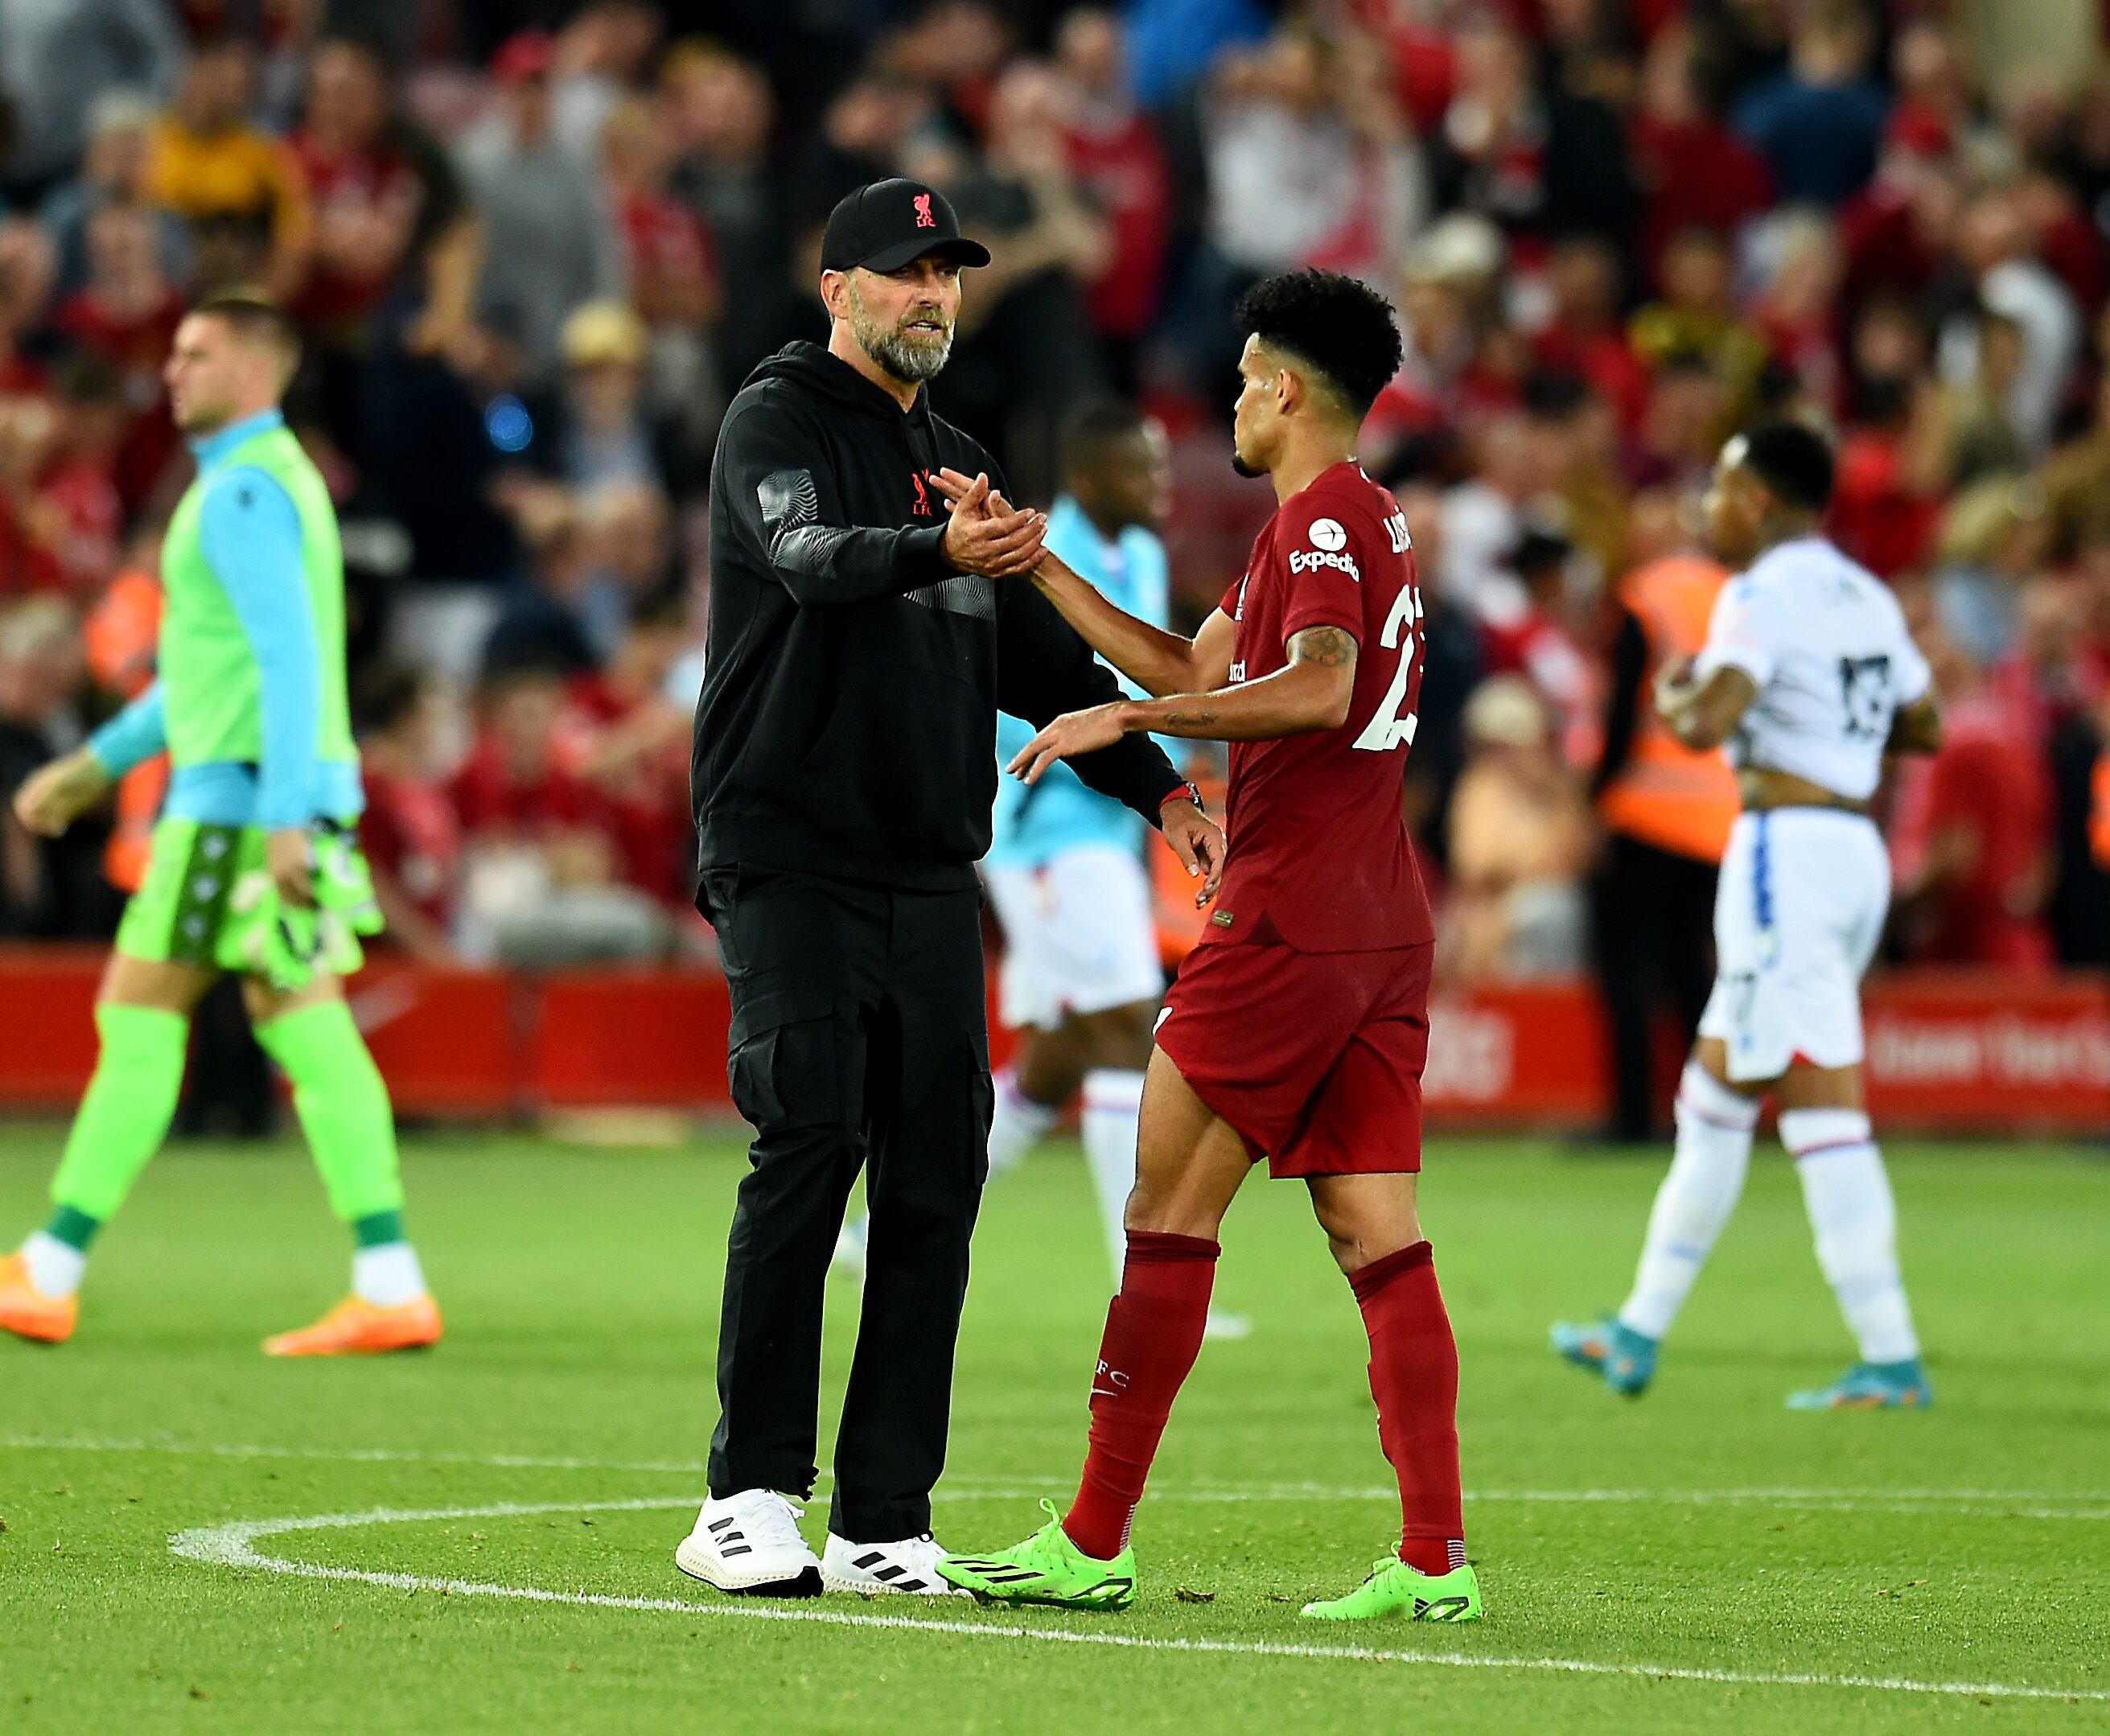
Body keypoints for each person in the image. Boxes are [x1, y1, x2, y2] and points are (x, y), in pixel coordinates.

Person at [674, 179, 1220, 1602]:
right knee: (806, 1140)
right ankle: (742, 1498)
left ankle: (881, 1520)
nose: (933, 296)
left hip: (925, 865)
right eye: (906, 273)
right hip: (787, 847)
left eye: (949, 276)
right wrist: (940, 547)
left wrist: (1159, 790)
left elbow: (1042, 675)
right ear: (836, 286)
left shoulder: (958, 460)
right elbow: (803, 559)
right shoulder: (774, 417)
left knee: (934, 1182)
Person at [937, 268, 1483, 1624]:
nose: (1229, 402)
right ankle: (1433, 1560)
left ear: (1285, 389)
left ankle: (1090, 1536)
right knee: (1374, 1230)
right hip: (1378, 924)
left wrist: (1123, 733)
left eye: (1243, 379)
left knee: (1160, 1214)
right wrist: (1040, 563)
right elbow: (1189, 676)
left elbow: (1316, 686)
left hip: (1287, 919)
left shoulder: (1312, 529)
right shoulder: (1356, 520)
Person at [0, 294, 440, 1356]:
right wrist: (95, 762)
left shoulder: (240, 493)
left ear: (257, 366)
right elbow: (213, 671)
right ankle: (389, 1279)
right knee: (307, 1021)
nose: (171, 372)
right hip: (274, 795)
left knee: (139, 1014)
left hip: (239, 807)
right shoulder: (275, 480)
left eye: (195, 354)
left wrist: (280, 817)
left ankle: (49, 1267)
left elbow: (288, 658)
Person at [833, 401, 1248, 1341]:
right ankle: (1142, 1281)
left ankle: (867, 1231)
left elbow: (1145, 690)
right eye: (1143, 470)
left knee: (1064, 1054)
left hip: (1107, 827)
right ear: (1092, 480)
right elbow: (1033, 689)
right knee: (1125, 1032)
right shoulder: (1029, 550)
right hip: (1042, 827)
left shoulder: (1136, 560)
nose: (1160, 484)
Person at [1553, 422, 1943, 1411]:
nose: (1708, 509)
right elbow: (1923, 721)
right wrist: (1833, 725)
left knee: (1821, 1097)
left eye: (1720, 490)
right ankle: (1636, 1329)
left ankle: (1890, 1353)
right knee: (1714, 1099)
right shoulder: (1863, 592)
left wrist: (1679, 692)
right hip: (1850, 846)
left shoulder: (1757, 595)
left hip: (1785, 851)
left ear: (1760, 500)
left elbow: (1706, 720)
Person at [1589, 550, 1739, 1140]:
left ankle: (1631, 1116)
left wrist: (1596, 799)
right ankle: (1709, 1115)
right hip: (1714, 816)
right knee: (1690, 972)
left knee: (1625, 970)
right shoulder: (1730, 596)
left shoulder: (1643, 597)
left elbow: (1622, 712)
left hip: (1645, 812)